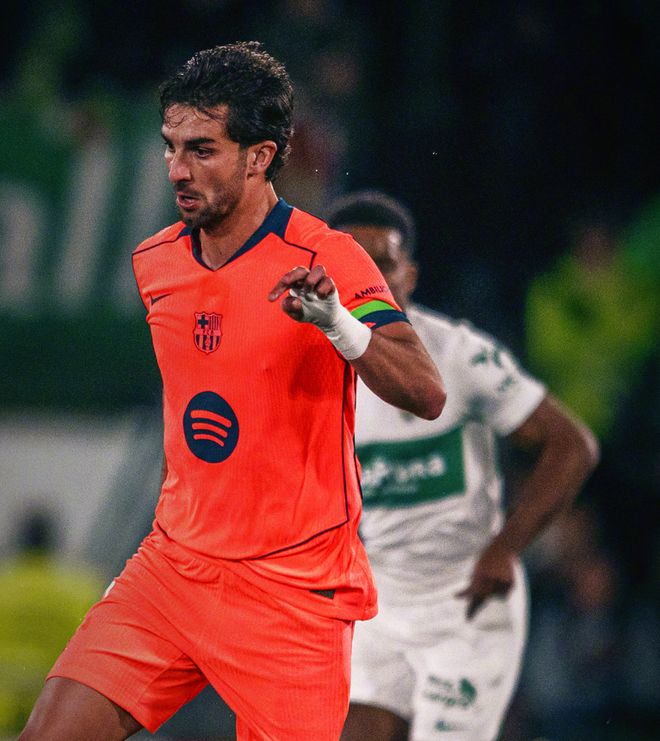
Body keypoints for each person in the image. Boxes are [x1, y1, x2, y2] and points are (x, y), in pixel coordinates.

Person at [18, 43, 445, 741]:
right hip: (173, 572)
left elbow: (426, 391)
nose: (177, 169)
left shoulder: (328, 258)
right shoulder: (156, 262)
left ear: (260, 156)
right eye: (171, 146)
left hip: (292, 596)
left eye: (202, 150)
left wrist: (339, 323)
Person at [326, 190, 599, 741]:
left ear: (410, 276)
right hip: (378, 600)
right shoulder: (306, 369)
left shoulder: (458, 355)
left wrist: (506, 548)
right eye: (352, 265)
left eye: (384, 264)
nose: (369, 280)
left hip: (467, 603)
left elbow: (572, 445)